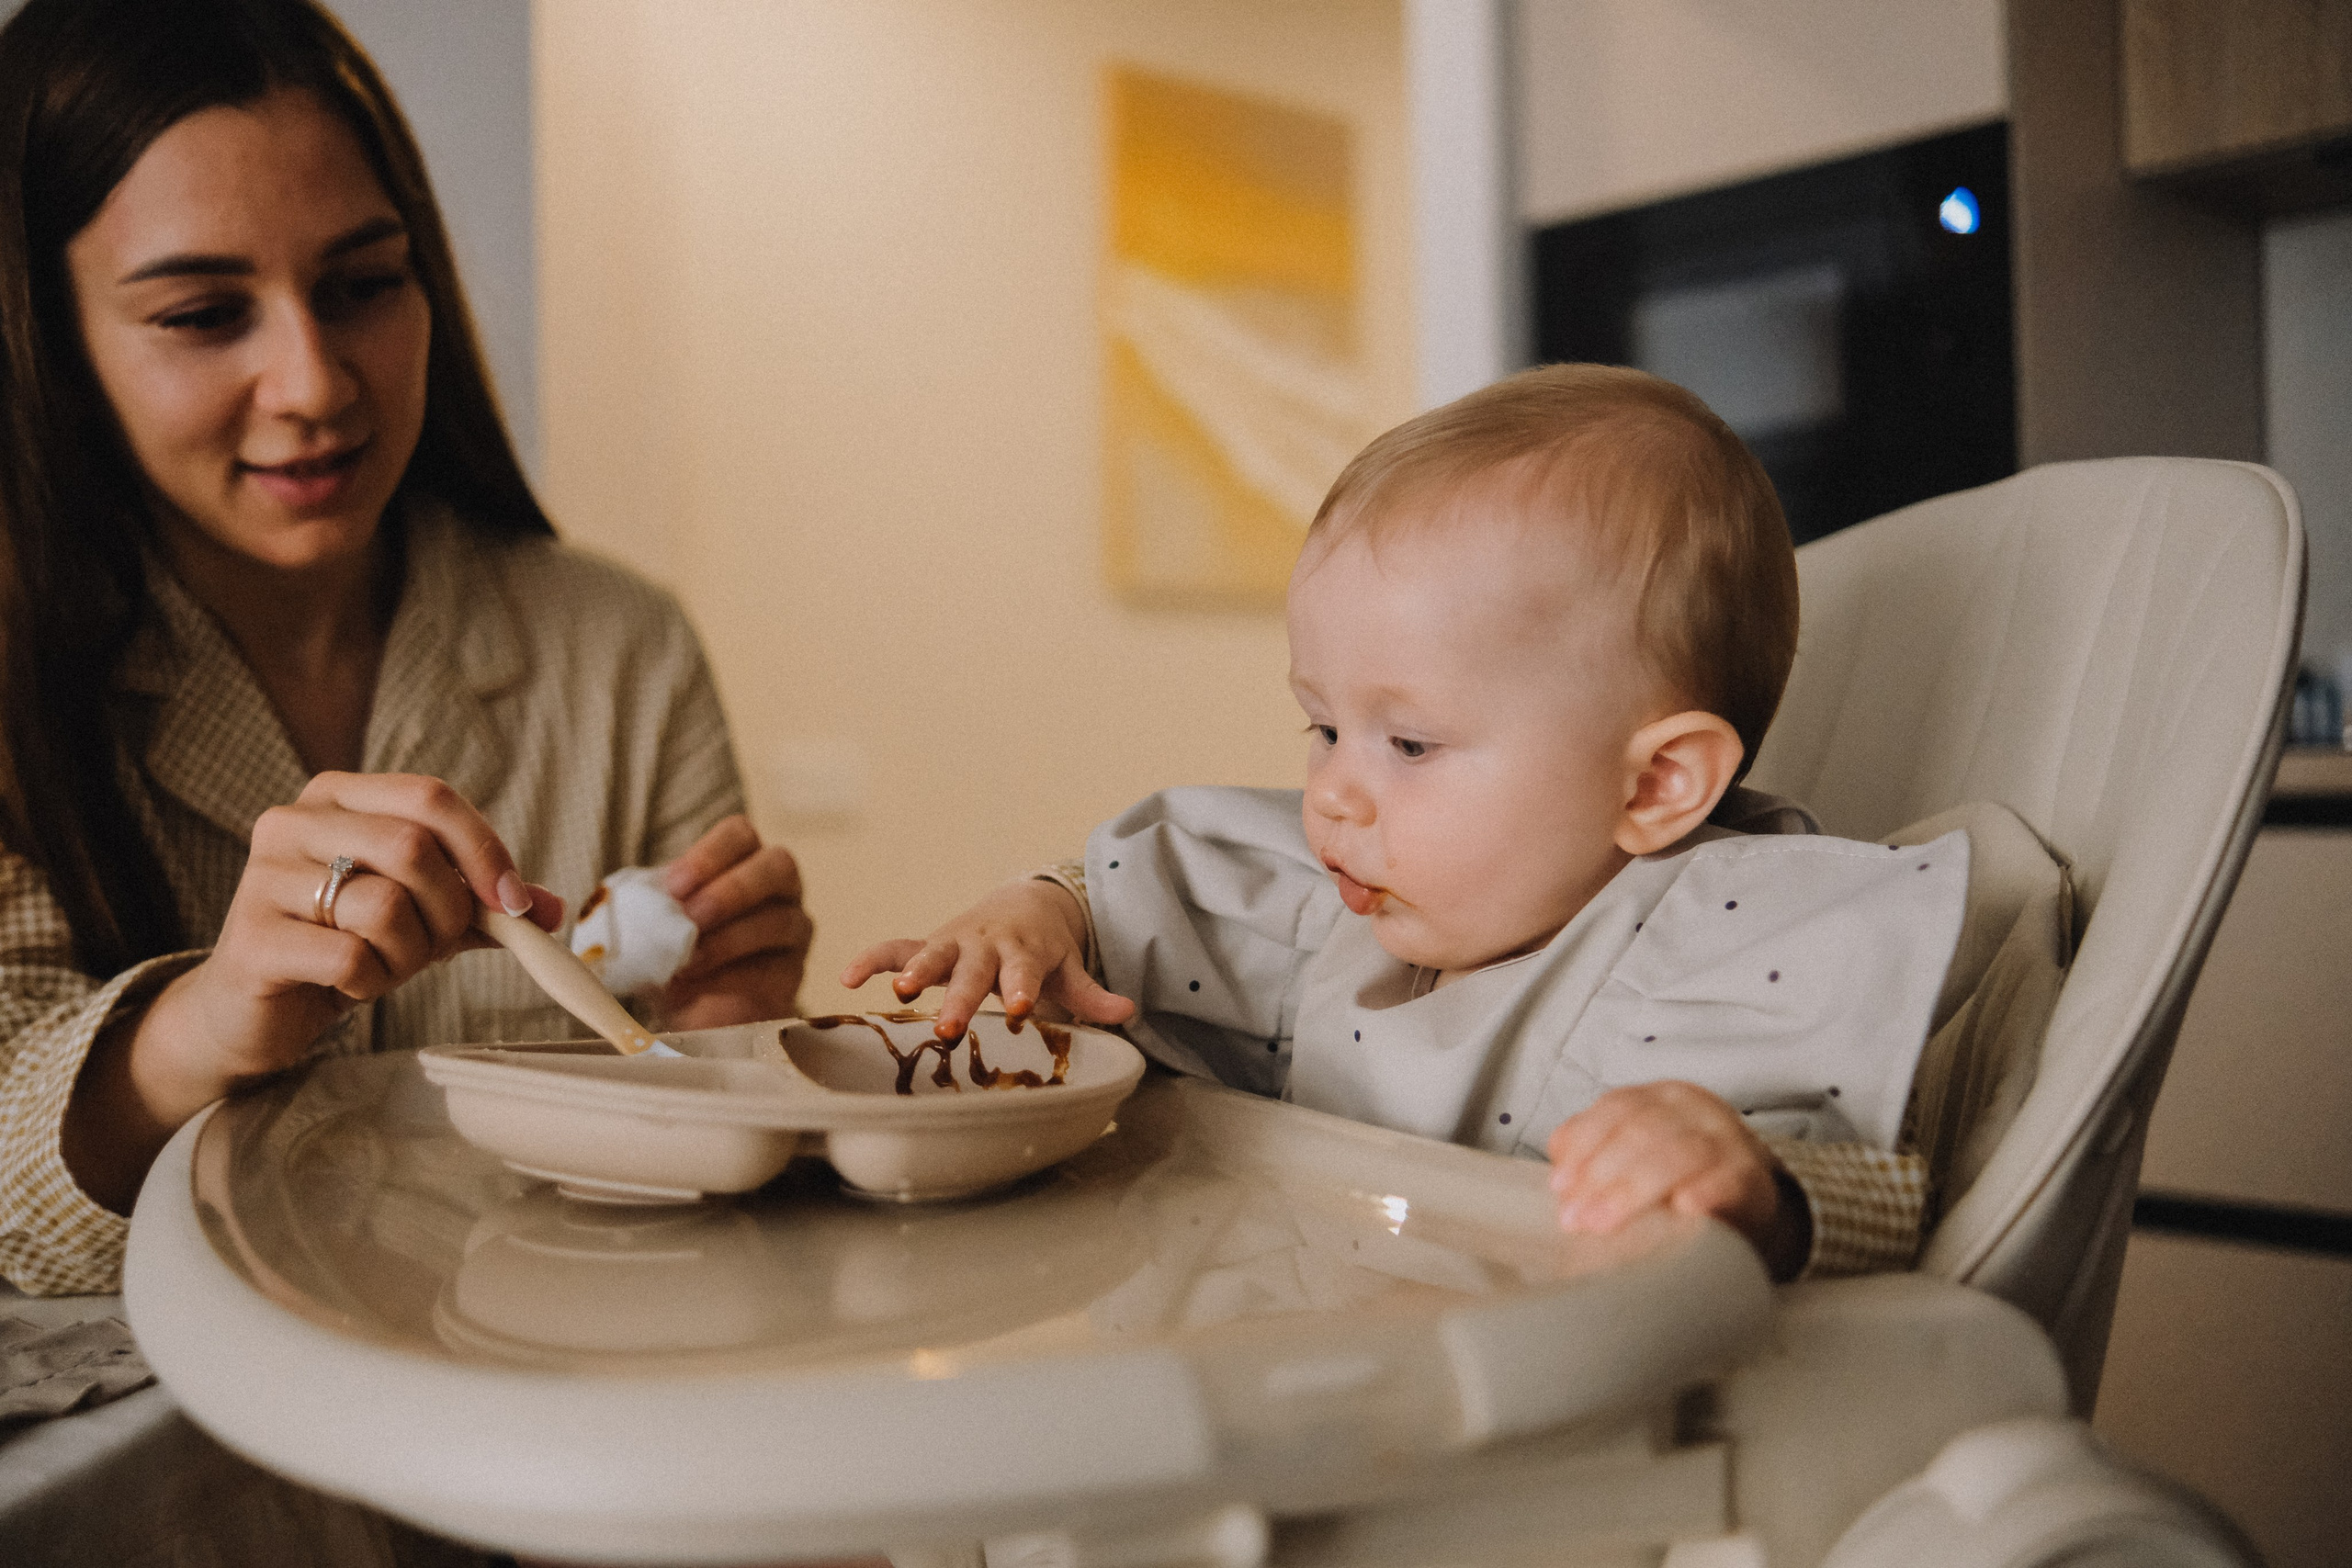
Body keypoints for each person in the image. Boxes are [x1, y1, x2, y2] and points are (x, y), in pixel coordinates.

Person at [0, 0, 809, 1297]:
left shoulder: (619, 647)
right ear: (51, 342)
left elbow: (719, 1206)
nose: (314, 383)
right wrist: (202, 1022)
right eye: (207, 313)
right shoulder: (23, 690)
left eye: (364, 286)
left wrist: (728, 1053)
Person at [849, 365, 1984, 1281]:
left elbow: (1896, 1204)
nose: (1334, 792)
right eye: (1321, 725)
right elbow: (1142, 903)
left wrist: (1759, 1186)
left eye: (1408, 745)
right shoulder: (1338, 904)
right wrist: (1039, 917)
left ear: (1655, 787)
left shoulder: (1730, 945)